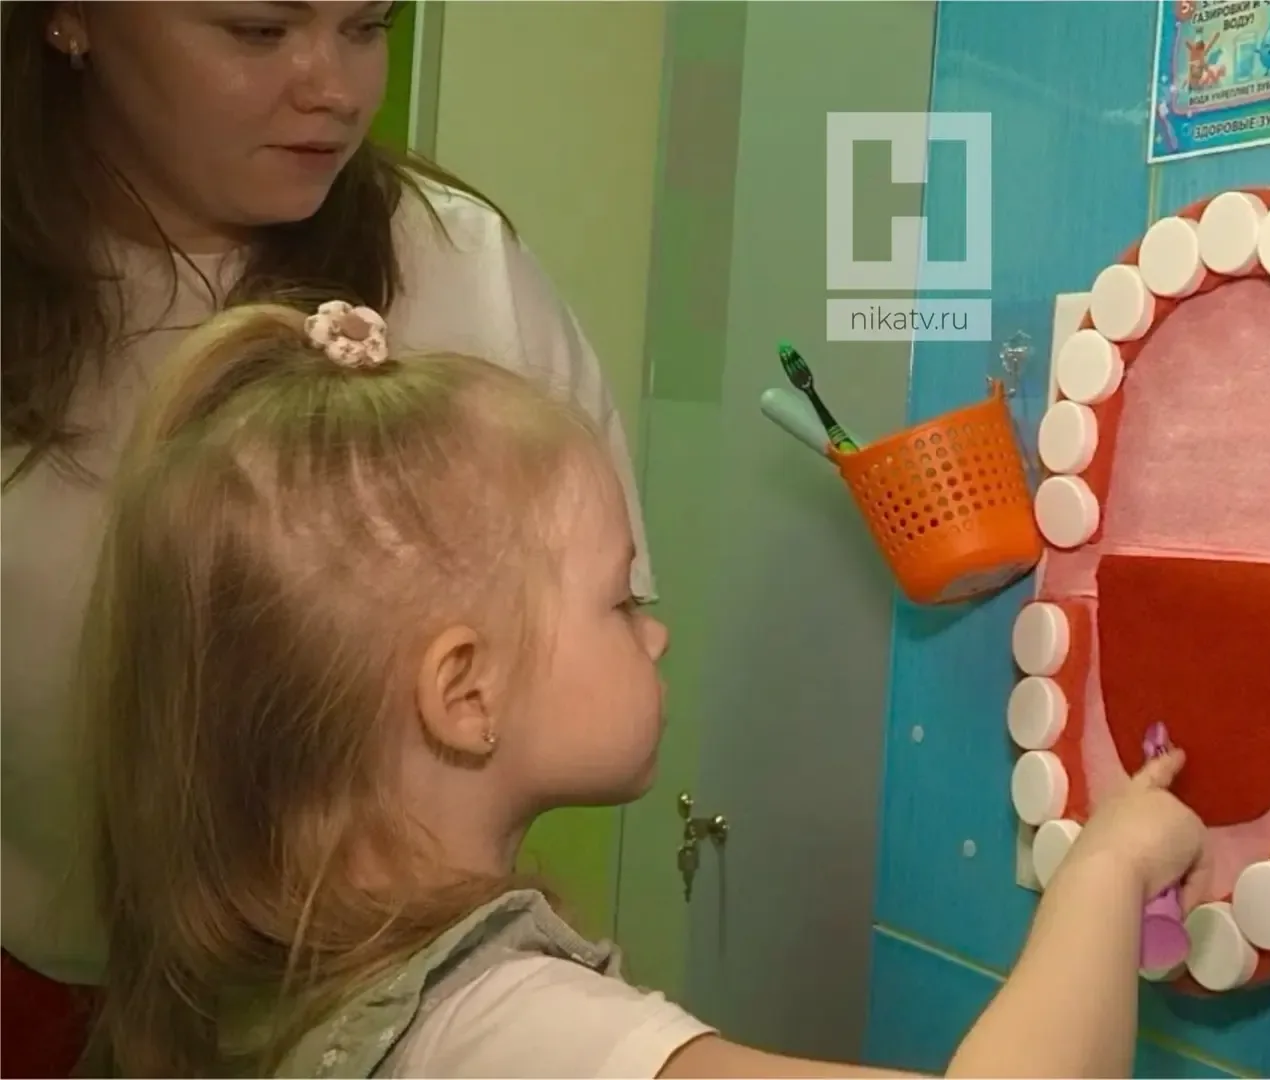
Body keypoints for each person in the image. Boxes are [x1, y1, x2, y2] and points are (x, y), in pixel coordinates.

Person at [82, 299, 1208, 1077]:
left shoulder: (275, 980)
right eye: (620, 599)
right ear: (465, 695)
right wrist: (1106, 873)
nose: (657, 634)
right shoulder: (509, 1037)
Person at [1, 3, 651, 1073]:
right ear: (72, 19)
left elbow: (585, 652)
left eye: (367, 25)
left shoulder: (462, 269)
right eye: (259, 31)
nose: (337, 90)